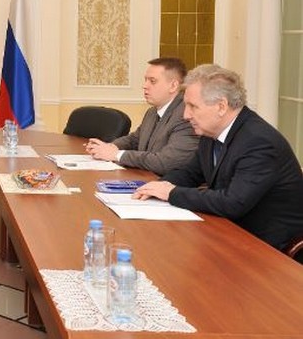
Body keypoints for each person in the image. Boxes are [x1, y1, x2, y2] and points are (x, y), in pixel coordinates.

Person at [133, 64, 303, 250]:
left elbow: (233, 202)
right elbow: (190, 173)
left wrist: (171, 193)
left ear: (221, 106)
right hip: (229, 231)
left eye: (192, 106)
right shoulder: (211, 131)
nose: (185, 115)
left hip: (268, 247)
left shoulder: (259, 141)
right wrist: (155, 187)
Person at [85, 57, 199, 175]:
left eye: (152, 81)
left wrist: (117, 155)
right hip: (146, 176)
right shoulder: (152, 112)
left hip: (168, 182)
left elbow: (166, 163)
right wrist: (110, 147)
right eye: (145, 80)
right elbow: (135, 139)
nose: (145, 86)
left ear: (173, 86)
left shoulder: (187, 116)